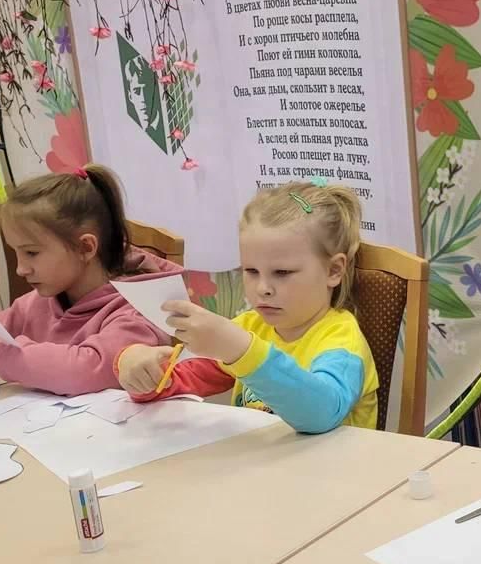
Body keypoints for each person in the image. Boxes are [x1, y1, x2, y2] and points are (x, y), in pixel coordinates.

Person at [115, 180, 379, 434]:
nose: (263, 287)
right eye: (251, 270)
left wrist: (241, 349)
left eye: (282, 272)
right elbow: (175, 383)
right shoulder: (251, 326)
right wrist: (138, 367)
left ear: (334, 270)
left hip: (337, 475)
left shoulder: (341, 341)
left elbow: (321, 414)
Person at [0, 166, 177, 395]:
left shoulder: (140, 310)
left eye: (31, 253)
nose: (21, 269)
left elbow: (85, 371)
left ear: (85, 247)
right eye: (16, 252)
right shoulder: (36, 302)